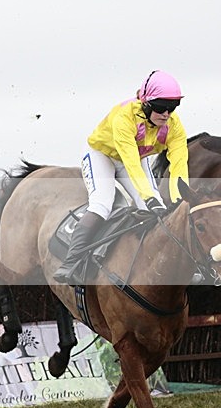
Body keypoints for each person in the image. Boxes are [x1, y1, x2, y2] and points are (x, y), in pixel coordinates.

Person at [53, 70, 188, 285]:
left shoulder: (174, 126)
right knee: (102, 204)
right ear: (146, 103)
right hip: (102, 156)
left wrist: (180, 196)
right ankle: (72, 261)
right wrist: (149, 198)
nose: (166, 114)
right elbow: (131, 163)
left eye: (172, 108)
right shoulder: (124, 116)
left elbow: (179, 164)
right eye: (161, 107)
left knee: (156, 209)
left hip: (136, 156)